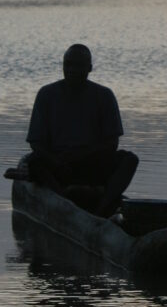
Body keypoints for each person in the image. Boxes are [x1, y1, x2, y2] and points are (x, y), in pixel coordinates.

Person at [25, 43, 138, 217]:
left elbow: (111, 143)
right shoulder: (47, 94)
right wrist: (56, 162)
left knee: (129, 160)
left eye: (79, 65)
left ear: (90, 68)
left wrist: (81, 155)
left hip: (91, 164)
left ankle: (104, 205)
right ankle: (64, 200)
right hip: (59, 166)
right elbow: (36, 142)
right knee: (34, 163)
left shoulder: (104, 96)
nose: (72, 70)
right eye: (68, 64)